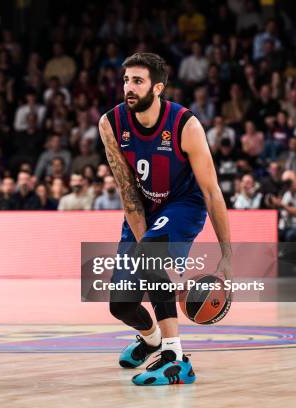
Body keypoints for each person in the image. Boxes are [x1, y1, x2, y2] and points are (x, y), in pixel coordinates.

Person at [98, 53, 231, 386]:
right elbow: (128, 193)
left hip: (184, 205)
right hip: (143, 209)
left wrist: (227, 254)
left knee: (150, 257)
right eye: (126, 80)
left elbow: (212, 192)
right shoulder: (110, 124)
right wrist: (147, 248)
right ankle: (152, 339)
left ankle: (175, 357)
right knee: (121, 305)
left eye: (137, 81)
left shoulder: (185, 125)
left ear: (157, 87)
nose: (129, 87)